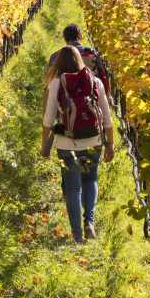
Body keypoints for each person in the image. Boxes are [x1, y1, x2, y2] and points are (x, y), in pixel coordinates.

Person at [41, 45, 114, 243]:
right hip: (93, 142)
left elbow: (48, 120)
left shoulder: (56, 83)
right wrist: (110, 145)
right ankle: (89, 221)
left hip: (66, 144)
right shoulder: (94, 81)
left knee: (73, 188)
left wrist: (44, 146)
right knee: (90, 179)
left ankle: (77, 235)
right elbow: (107, 119)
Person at [62, 23, 112, 101]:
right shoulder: (91, 53)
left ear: (65, 38)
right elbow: (103, 75)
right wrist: (107, 96)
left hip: (67, 98)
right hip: (91, 97)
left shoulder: (56, 56)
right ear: (79, 36)